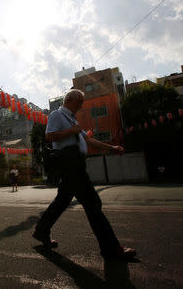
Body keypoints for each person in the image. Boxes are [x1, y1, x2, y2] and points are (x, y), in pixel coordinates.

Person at [32, 89, 136, 260]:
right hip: (70, 164)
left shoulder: (72, 120)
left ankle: (41, 230)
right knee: (93, 203)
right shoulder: (57, 115)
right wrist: (71, 131)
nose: (81, 106)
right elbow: (49, 136)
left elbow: (88, 140)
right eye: (80, 102)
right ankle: (111, 249)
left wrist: (112, 148)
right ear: (70, 100)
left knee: (62, 201)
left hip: (76, 163)